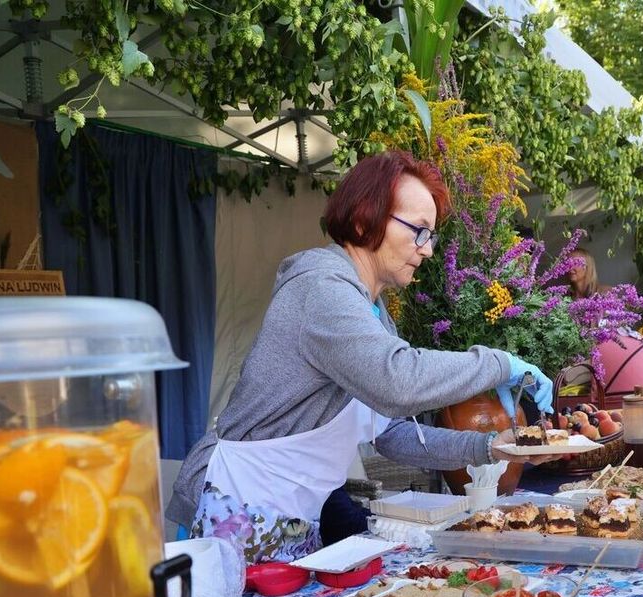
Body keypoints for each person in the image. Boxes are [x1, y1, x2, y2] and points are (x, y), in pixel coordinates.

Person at [167, 151, 557, 562]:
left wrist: (493, 446)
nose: (426, 250)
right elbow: (398, 381)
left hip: (290, 523)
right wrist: (500, 363)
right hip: (230, 508)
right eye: (418, 231)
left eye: (432, 235)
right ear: (362, 220)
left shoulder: (371, 310)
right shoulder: (322, 287)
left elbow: (391, 435)